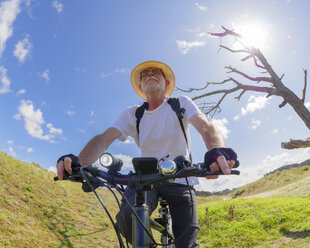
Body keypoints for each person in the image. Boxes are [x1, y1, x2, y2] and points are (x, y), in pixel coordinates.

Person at [56, 60, 237, 248]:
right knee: (127, 220)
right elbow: (103, 139)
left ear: (166, 83)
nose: (149, 74)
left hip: (181, 178)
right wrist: (79, 162)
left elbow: (207, 128)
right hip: (145, 180)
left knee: (187, 242)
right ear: (141, 86)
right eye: (145, 74)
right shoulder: (133, 114)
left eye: (156, 72)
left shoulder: (180, 104)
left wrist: (216, 150)